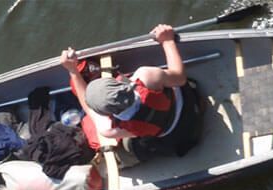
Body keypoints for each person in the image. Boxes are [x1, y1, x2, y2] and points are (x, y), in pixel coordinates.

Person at [60, 24, 203, 158]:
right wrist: (167, 41)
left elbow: (88, 108)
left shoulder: (108, 129)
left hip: (178, 132)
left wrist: (73, 71)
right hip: (189, 103)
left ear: (105, 113)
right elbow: (180, 78)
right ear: (116, 82)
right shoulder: (147, 76)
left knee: (128, 147)